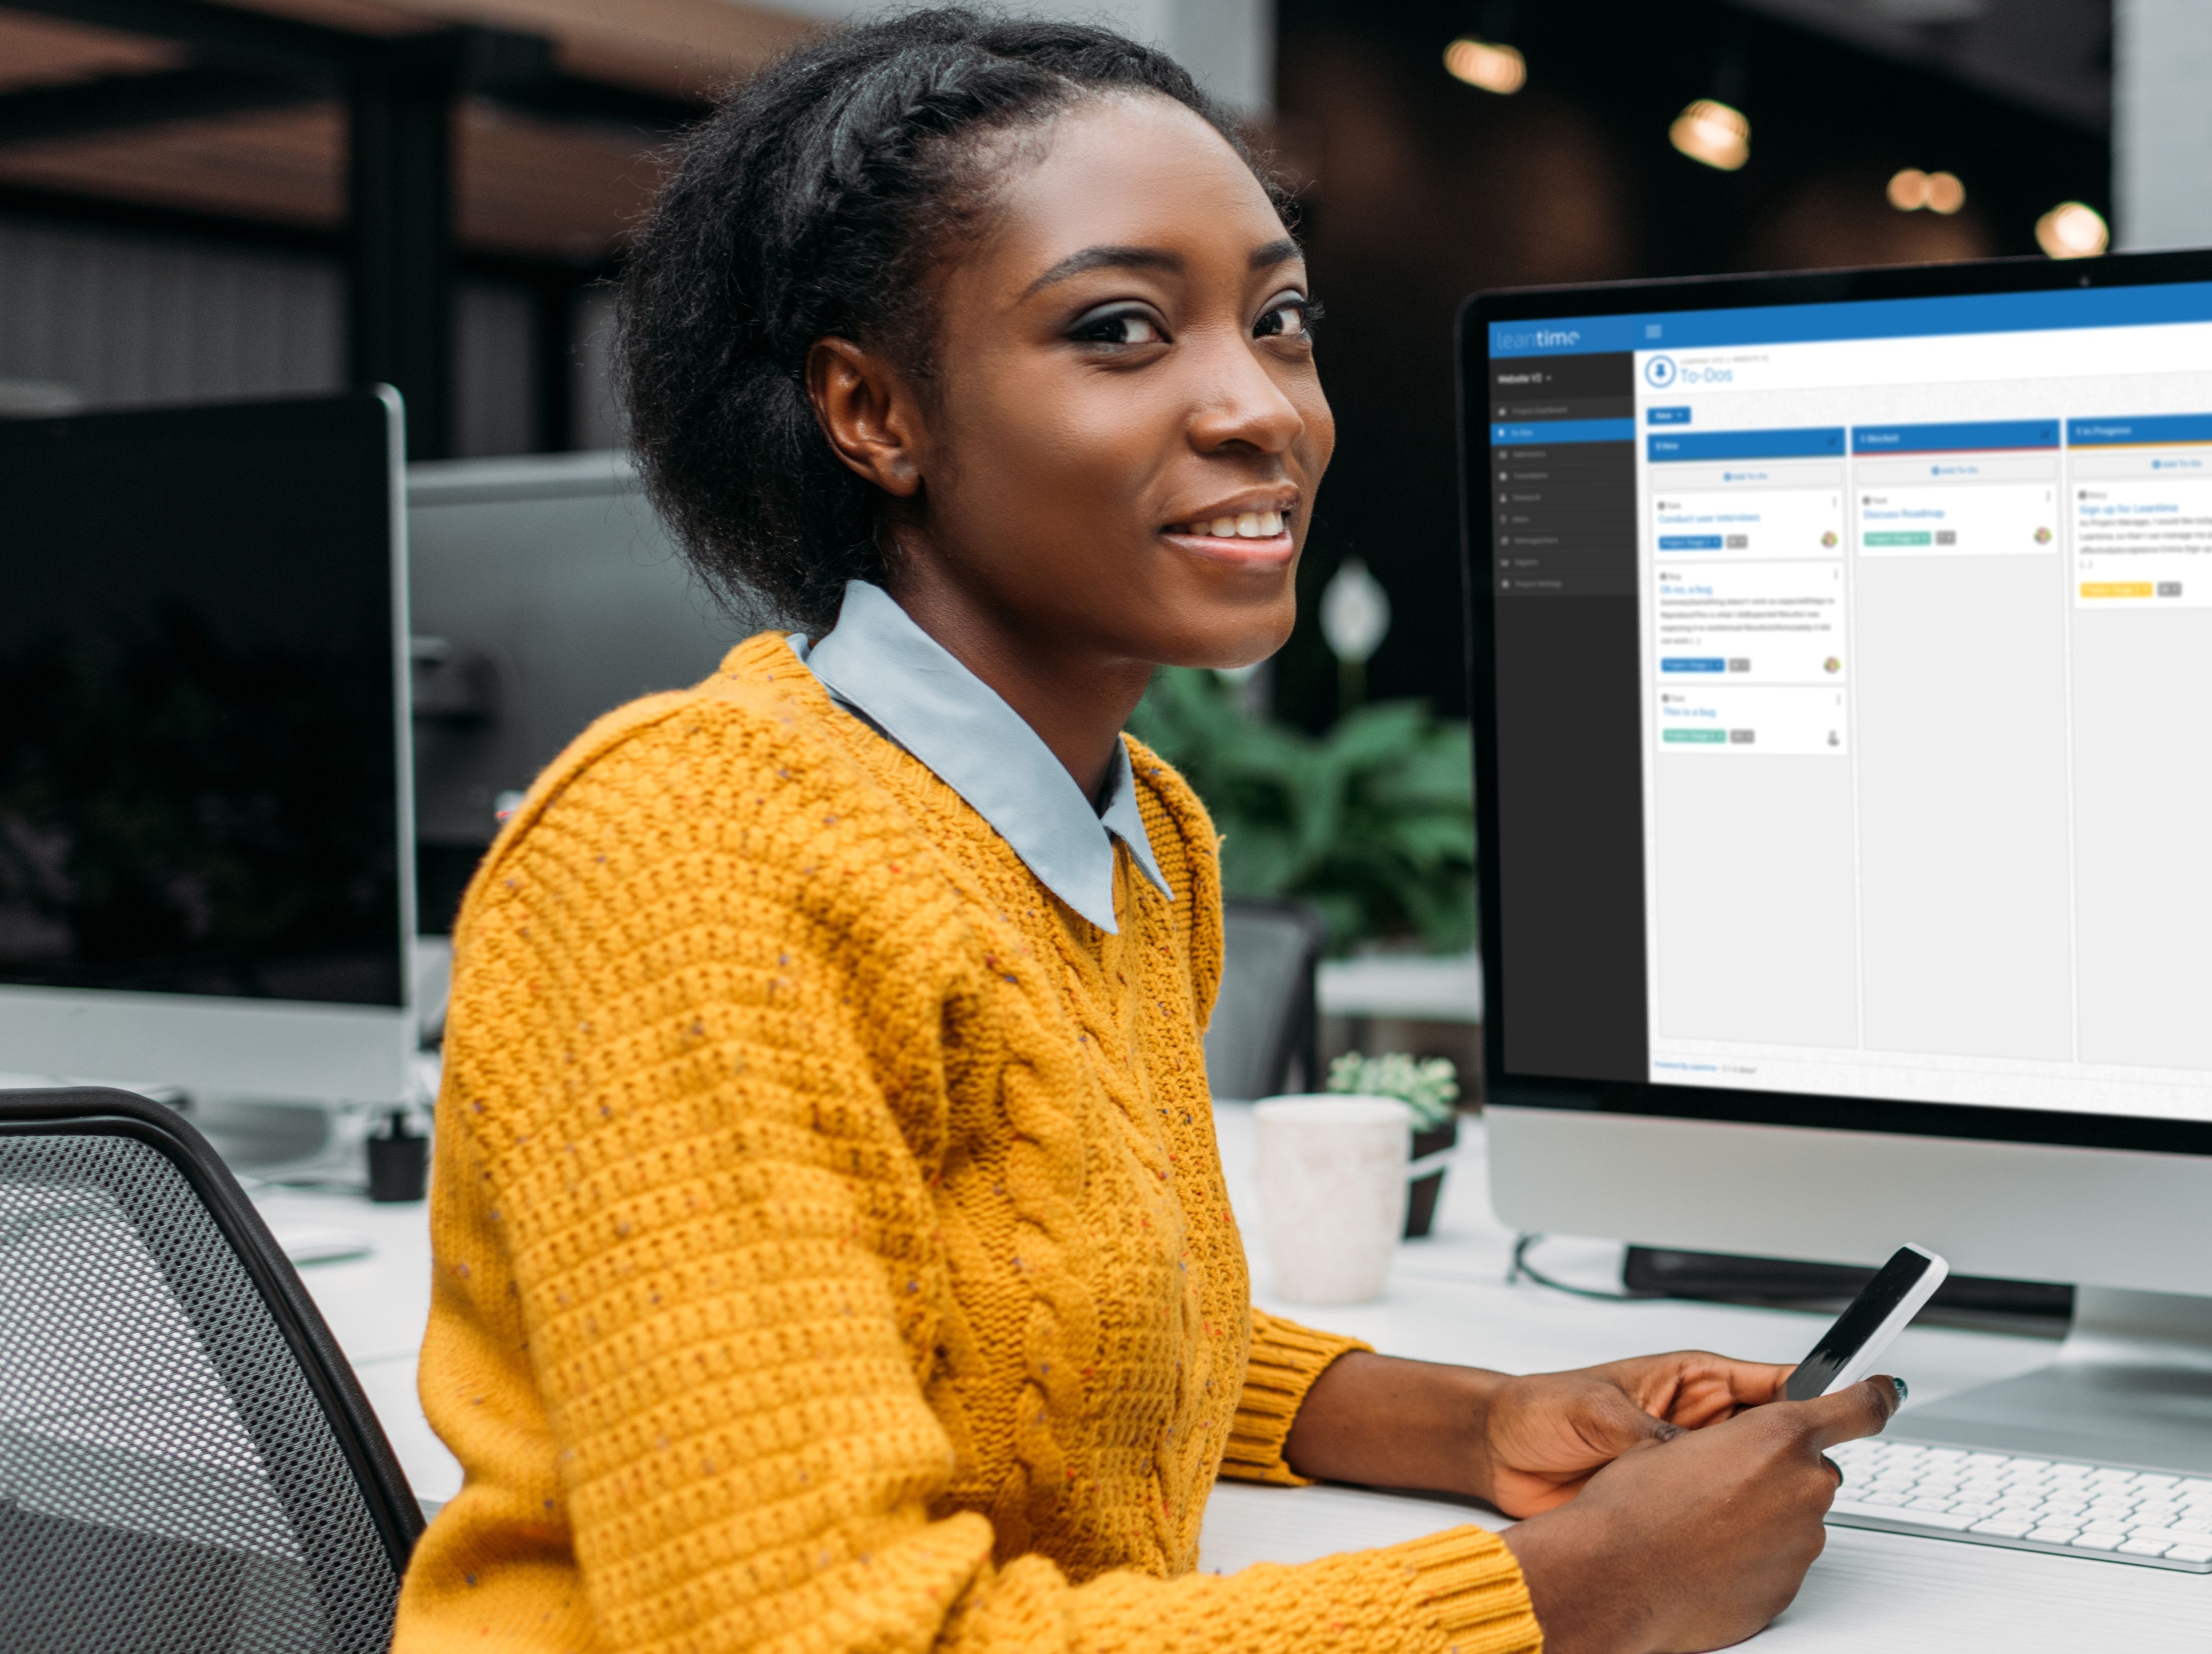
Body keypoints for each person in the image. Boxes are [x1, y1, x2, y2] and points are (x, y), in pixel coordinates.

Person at [396, 14, 1890, 1653]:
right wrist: (1583, 1592)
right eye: (1119, 329)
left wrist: (1475, 1421)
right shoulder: (692, 855)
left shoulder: (1133, 829)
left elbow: (1048, 1317)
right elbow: (818, 1634)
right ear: (873, 411)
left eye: (1282, 322)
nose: (1261, 407)